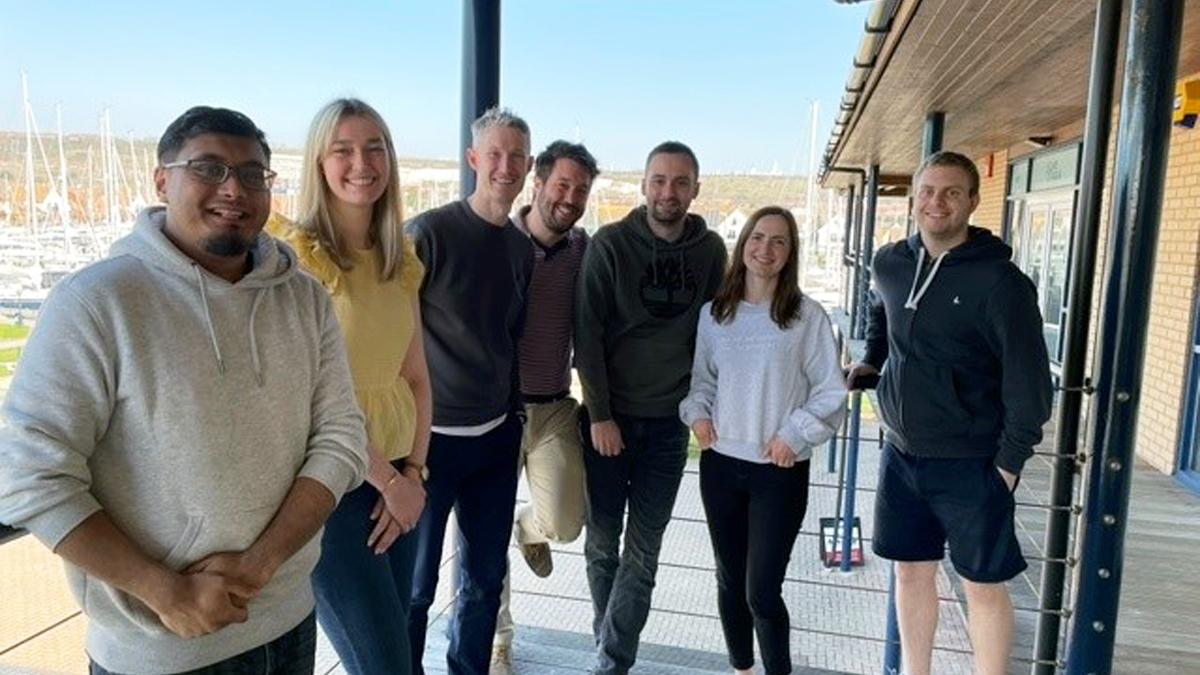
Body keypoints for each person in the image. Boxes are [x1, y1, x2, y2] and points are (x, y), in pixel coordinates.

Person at [0, 106, 368, 675]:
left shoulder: (304, 298)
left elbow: (341, 438)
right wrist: (166, 592)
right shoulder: (95, 303)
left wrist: (260, 565)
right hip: (159, 648)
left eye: (252, 174)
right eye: (208, 168)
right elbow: (30, 475)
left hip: (290, 621)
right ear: (161, 181)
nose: (234, 189)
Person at [844, 150, 1052, 675]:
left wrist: (1007, 468)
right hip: (901, 456)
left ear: (973, 201)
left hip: (973, 462)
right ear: (914, 197)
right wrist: (872, 360)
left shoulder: (1001, 283)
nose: (937, 202)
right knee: (911, 574)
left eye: (952, 192)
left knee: (982, 586)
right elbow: (880, 311)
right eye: (928, 191)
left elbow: (1030, 386)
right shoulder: (890, 262)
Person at [270, 98, 432, 675]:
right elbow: (310, 397)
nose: (361, 163)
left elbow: (416, 376)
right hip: (334, 487)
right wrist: (388, 481)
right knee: (386, 665)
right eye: (343, 150)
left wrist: (414, 475)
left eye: (374, 148)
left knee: (399, 653)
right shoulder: (298, 259)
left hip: (401, 480)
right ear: (319, 164)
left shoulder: (398, 259)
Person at [575, 140, 727, 675]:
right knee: (601, 546)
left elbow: (719, 334)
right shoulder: (610, 245)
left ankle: (611, 663)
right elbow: (587, 333)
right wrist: (600, 414)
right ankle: (608, 649)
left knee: (643, 554)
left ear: (695, 190)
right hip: (607, 423)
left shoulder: (710, 253)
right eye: (659, 180)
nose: (669, 192)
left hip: (668, 425)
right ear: (643, 185)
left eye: (681, 182)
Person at [680, 206, 846, 675]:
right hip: (720, 467)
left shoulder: (806, 317)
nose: (765, 249)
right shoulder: (715, 314)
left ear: (790, 252)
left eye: (778, 241)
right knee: (730, 581)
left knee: (762, 591)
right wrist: (698, 415)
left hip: (779, 472)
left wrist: (794, 434)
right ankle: (741, 668)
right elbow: (702, 383)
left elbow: (831, 392)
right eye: (757, 237)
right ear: (743, 244)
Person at [407, 107, 535, 675]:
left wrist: (515, 418)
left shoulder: (521, 249)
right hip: (429, 443)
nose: (506, 166)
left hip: (495, 441)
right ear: (474, 159)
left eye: (516, 156)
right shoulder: (429, 234)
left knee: (484, 582)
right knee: (415, 588)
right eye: (495, 154)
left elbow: (511, 336)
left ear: (528, 165)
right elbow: (395, 336)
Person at [489, 140, 599, 675]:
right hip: (497, 411)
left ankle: (527, 528)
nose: (570, 198)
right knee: (484, 544)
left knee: (565, 523)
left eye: (581, 190)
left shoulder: (583, 249)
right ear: (538, 183)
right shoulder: (500, 242)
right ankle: (498, 641)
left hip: (555, 407)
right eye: (562, 185)